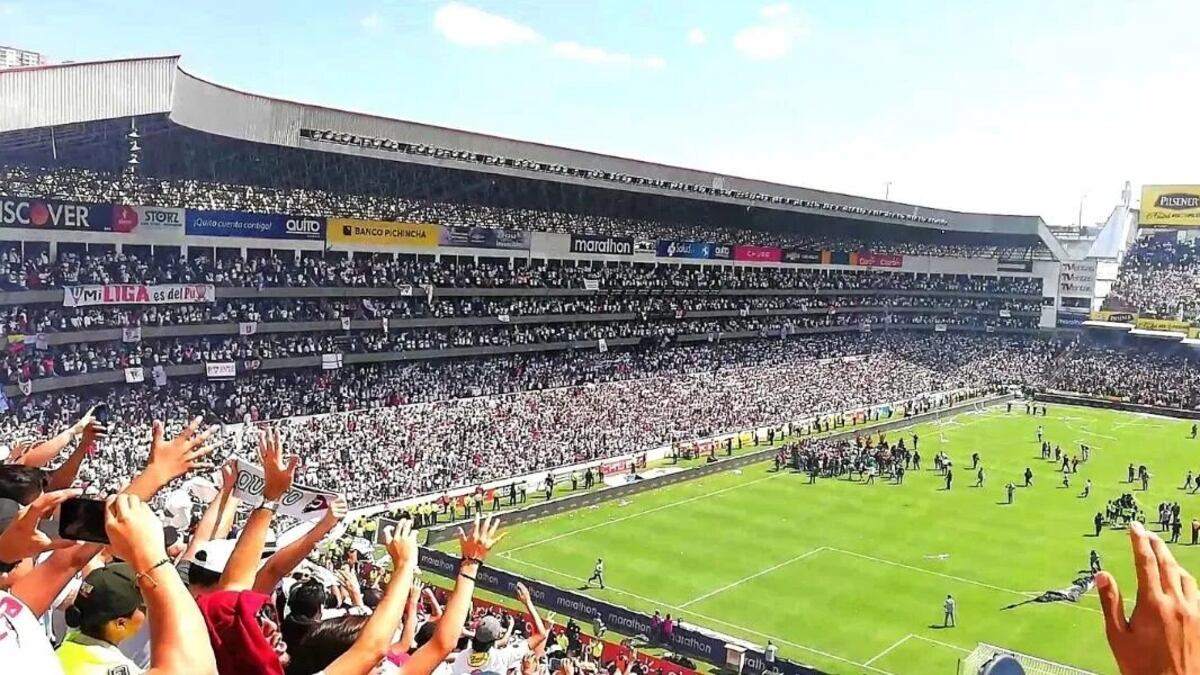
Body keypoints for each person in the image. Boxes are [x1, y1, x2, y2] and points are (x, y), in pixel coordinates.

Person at [55, 562, 147, 675]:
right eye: (143, 607)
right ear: (121, 623)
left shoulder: (56, 653)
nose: (147, 612)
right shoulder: (122, 669)